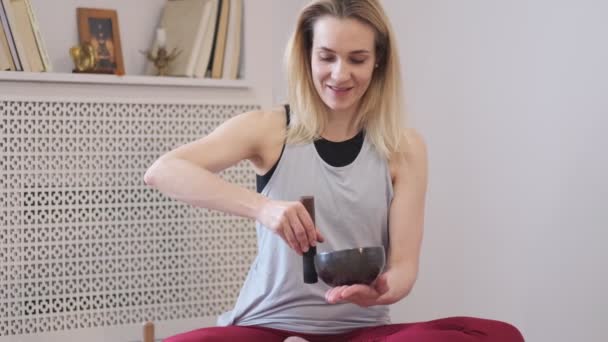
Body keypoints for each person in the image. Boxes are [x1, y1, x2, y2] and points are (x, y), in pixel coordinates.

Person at [144, 0, 524, 341]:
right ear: (307, 55)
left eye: (356, 59)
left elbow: (404, 268)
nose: (339, 75)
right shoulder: (269, 129)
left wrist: (380, 291)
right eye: (327, 56)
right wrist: (263, 208)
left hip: (361, 329)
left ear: (379, 60)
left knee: (498, 335)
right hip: (268, 326)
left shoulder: (404, 148)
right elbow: (164, 170)